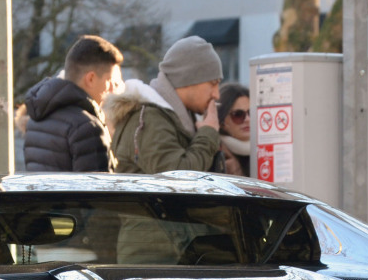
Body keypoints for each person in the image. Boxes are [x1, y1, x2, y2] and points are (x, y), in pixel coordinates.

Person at [106, 35, 225, 175]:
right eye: (213, 83)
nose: (216, 95)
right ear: (187, 79)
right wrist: (208, 133)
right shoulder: (150, 119)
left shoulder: (174, 118)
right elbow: (179, 179)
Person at [23, 35, 124, 172]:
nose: (112, 89)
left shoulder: (37, 117)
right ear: (91, 78)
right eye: (109, 80)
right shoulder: (87, 127)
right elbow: (98, 191)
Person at [217, 83, 250, 176]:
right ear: (222, 122)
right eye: (238, 115)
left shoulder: (266, 150)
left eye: (251, 113)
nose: (247, 119)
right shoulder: (214, 153)